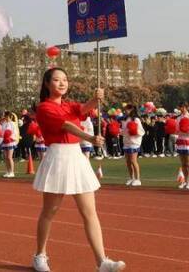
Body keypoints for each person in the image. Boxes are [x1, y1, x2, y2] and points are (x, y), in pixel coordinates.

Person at [32, 68, 125, 272]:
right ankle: (40, 255)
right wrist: (90, 138)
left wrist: (95, 98)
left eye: (65, 80)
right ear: (47, 84)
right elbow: (66, 126)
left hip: (76, 157)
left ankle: (102, 261)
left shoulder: (70, 105)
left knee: (90, 212)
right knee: (50, 211)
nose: (62, 83)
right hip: (57, 157)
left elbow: (83, 109)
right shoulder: (44, 108)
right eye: (57, 80)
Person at [121, 105, 145, 186]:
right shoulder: (125, 119)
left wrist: (134, 131)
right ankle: (131, 178)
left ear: (131, 110)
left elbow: (142, 131)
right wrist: (119, 131)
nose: (126, 111)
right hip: (126, 142)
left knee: (133, 160)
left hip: (134, 143)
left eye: (127, 109)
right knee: (128, 162)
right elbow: (124, 131)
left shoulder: (136, 119)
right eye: (125, 110)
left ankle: (138, 179)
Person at [0, 111, 18, 178]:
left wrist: (10, 138)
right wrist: (1, 136)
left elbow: (15, 133)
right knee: (5, 157)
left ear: (10, 116)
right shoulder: (4, 124)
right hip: (5, 142)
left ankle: (12, 172)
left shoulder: (13, 124)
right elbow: (2, 133)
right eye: (5, 116)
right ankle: (7, 171)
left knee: (9, 157)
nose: (6, 117)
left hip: (10, 142)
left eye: (7, 116)